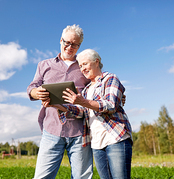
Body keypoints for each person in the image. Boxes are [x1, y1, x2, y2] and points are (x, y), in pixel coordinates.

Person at [43, 49, 133, 179]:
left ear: (96, 62)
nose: (82, 69)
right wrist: (55, 105)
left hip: (115, 138)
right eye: (80, 66)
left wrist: (83, 101)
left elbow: (110, 105)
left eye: (85, 64)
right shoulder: (86, 90)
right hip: (96, 143)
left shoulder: (110, 79)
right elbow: (81, 112)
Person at [27, 24, 93, 179]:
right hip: (52, 129)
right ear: (60, 40)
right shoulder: (44, 65)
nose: (69, 47)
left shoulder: (84, 67)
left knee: (82, 177)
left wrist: (119, 95)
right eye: (66, 42)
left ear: (79, 46)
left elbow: (98, 84)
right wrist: (37, 93)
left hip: (79, 131)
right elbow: (32, 87)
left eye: (74, 44)